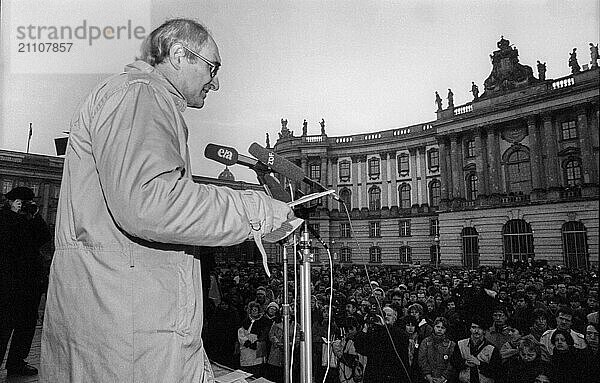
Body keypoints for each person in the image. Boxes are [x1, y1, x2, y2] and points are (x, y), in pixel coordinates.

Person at [40, 18, 293, 382]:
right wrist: (258, 210)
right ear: (178, 54)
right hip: (128, 338)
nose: (216, 81)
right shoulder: (141, 95)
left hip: (119, 322)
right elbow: (151, 203)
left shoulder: (134, 96)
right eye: (212, 66)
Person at [0, 187, 51, 376]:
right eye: (18, 201)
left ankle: (16, 363)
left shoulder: (29, 221)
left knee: (26, 327)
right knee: (3, 326)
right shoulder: (4, 219)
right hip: (7, 284)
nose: (22, 205)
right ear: (9, 202)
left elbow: (44, 237)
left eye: (25, 202)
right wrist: (21, 218)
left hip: (29, 286)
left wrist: (35, 216)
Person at [354, 310, 410, 383]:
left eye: (389, 315)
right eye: (383, 315)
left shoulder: (400, 334)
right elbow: (360, 348)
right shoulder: (372, 333)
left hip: (393, 375)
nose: (386, 317)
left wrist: (381, 327)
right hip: (375, 375)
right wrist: (365, 329)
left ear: (395, 318)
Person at [450, 315, 502, 383]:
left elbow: (496, 371)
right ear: (470, 329)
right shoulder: (460, 344)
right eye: (473, 327)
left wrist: (479, 363)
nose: (476, 331)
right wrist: (465, 363)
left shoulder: (492, 348)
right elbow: (454, 362)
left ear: (484, 331)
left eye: (480, 328)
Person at [418, 317, 456, 383]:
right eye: (438, 327)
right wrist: (428, 375)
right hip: (427, 378)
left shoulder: (451, 344)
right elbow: (422, 359)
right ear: (434, 327)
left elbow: (452, 362)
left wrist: (443, 377)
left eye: (442, 328)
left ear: (446, 329)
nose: (439, 329)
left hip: (444, 379)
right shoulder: (425, 342)